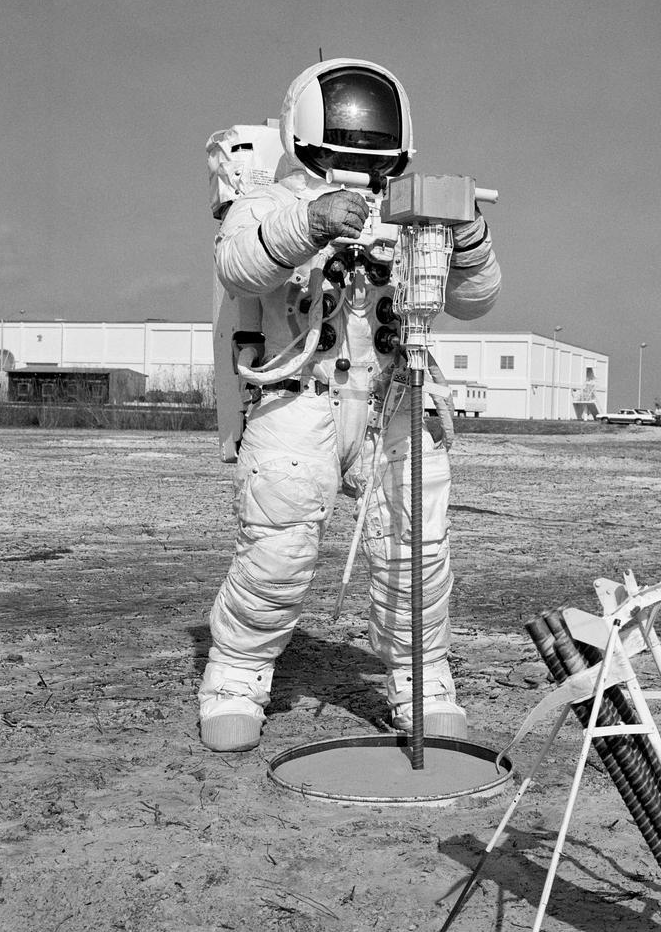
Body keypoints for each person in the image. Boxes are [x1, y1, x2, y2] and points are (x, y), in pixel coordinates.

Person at [200, 58, 501, 752]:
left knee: (415, 552)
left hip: (397, 398)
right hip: (298, 399)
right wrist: (310, 223)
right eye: (344, 145)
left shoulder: (416, 210)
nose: (359, 160)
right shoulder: (269, 204)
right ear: (306, 130)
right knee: (276, 551)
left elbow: (475, 299)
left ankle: (421, 683)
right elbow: (239, 264)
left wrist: (469, 238)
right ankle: (235, 677)